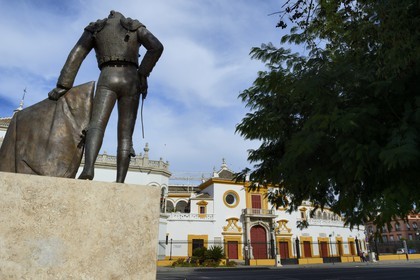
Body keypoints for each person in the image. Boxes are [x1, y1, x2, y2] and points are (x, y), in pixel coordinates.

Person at [48, 10, 163, 183]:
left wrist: (63, 85)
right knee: (125, 135)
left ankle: (88, 168)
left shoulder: (96, 29)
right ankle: (120, 181)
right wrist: (142, 73)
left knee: (96, 125)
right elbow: (156, 47)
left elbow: (77, 54)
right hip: (131, 78)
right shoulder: (135, 27)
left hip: (108, 76)